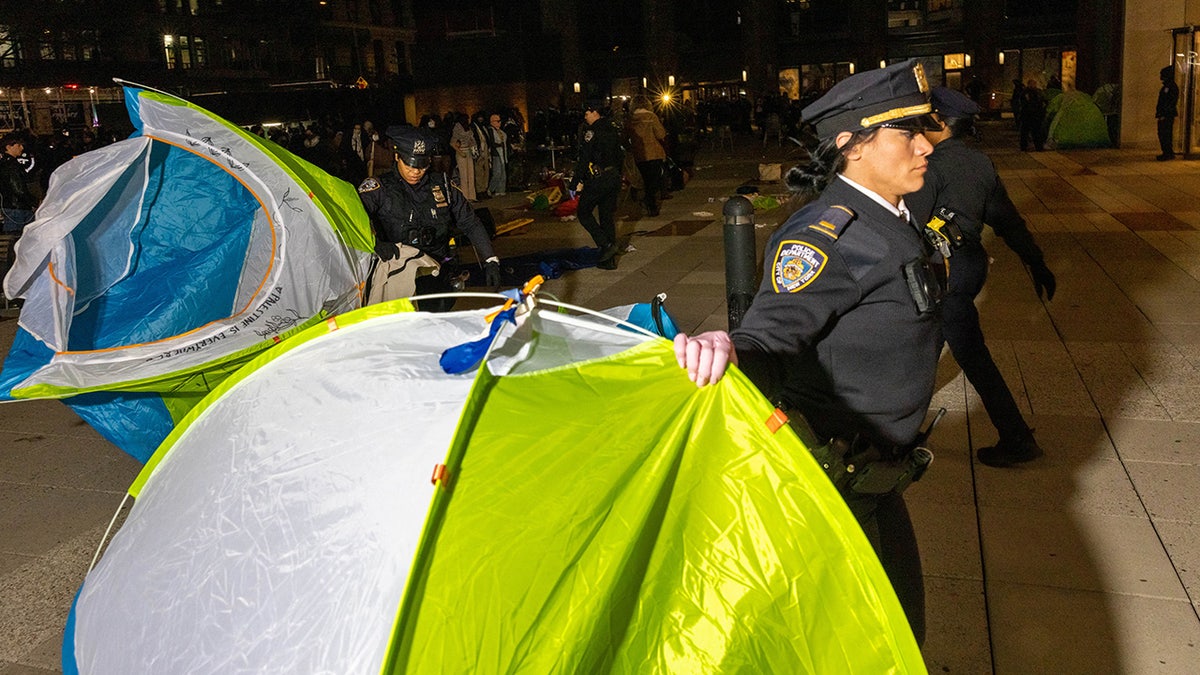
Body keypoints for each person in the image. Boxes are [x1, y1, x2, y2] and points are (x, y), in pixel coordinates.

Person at [672, 59, 943, 645]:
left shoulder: (891, 213)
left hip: (876, 474)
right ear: (851, 146)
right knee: (881, 642)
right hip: (839, 480)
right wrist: (731, 350)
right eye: (906, 132)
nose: (926, 142)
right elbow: (771, 335)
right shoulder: (826, 236)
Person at [907, 86, 1056, 467]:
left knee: (970, 355)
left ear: (939, 122)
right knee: (920, 351)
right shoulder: (979, 162)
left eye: (924, 119)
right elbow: (1007, 219)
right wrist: (1035, 262)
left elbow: (908, 228)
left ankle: (1017, 438)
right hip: (967, 266)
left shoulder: (932, 166)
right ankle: (899, 433)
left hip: (945, 272)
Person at [358, 126, 500, 311]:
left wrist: (490, 259)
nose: (416, 171)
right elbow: (353, 221)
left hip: (437, 272)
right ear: (397, 157)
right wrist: (374, 243)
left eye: (422, 165)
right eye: (409, 164)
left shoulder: (444, 187)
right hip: (398, 275)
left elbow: (470, 222)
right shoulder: (379, 189)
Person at [572, 99, 624, 270]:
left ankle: (606, 245)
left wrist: (574, 182)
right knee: (606, 215)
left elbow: (584, 157)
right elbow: (620, 155)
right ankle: (608, 259)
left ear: (595, 113)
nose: (585, 117)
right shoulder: (612, 128)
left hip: (598, 178)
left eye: (587, 113)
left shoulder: (591, 132)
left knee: (584, 212)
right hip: (613, 176)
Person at [625, 95, 668, 217]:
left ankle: (648, 202)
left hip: (639, 154)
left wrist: (631, 147)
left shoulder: (630, 119)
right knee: (654, 180)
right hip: (654, 153)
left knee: (646, 179)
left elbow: (624, 138)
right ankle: (651, 204)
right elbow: (661, 134)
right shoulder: (651, 117)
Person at [1, 133, 38, 235]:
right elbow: (18, 189)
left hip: (12, 206)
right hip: (17, 208)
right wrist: (34, 201)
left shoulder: (7, 163)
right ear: (8, 147)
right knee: (18, 237)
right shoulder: (11, 166)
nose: (21, 148)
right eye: (18, 145)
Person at [450, 113, 478, 202]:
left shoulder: (468, 128)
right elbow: (452, 142)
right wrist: (460, 151)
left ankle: (472, 196)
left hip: (469, 152)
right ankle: (465, 196)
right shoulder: (457, 128)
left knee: (471, 174)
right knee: (463, 175)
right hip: (461, 152)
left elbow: (471, 140)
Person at [1156, 65, 1180, 161]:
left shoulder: (1170, 87)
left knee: (1165, 133)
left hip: (1167, 115)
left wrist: (1163, 114)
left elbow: (1169, 102)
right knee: (1164, 133)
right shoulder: (1168, 86)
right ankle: (1166, 152)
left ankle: (1167, 153)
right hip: (1166, 114)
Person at [1019, 80, 1047, 152]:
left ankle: (1037, 146)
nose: (1033, 85)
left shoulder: (1036, 92)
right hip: (1029, 115)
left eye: (1034, 84)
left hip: (1033, 115)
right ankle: (1027, 146)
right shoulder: (1026, 93)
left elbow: (1042, 102)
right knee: (1028, 132)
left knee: (1035, 132)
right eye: (1032, 84)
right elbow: (1025, 103)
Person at [486, 113, 509, 197]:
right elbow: (492, 143)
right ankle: (491, 189)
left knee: (503, 173)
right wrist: (499, 145)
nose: (500, 123)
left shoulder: (500, 131)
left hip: (502, 153)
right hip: (496, 154)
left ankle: (500, 190)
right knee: (497, 173)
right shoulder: (491, 130)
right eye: (498, 121)